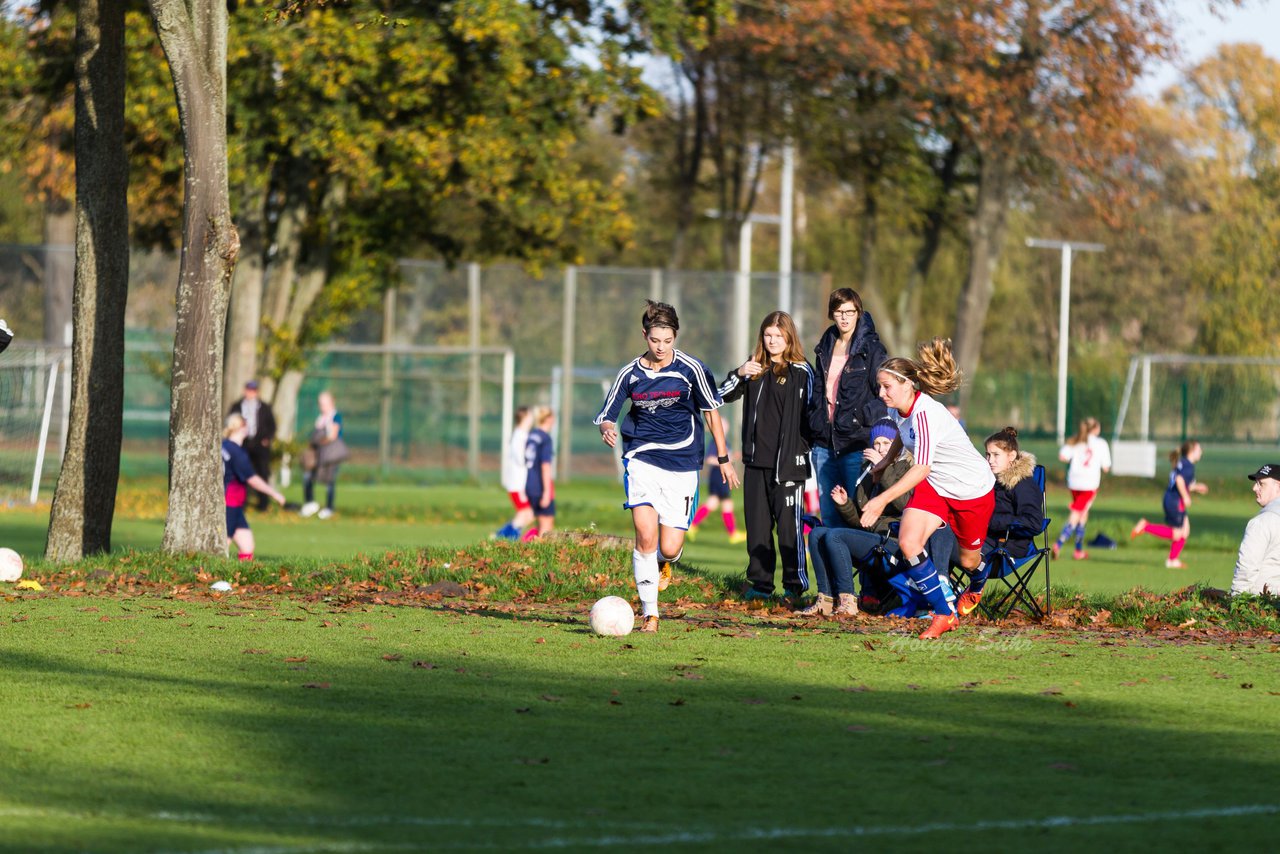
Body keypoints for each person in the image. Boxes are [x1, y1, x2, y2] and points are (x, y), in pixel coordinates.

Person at [595, 300, 739, 633]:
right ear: (644, 335)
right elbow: (607, 414)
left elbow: (712, 414)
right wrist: (607, 427)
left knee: (669, 547)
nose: (661, 347)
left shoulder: (692, 369)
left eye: (668, 340)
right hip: (641, 458)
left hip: (683, 463)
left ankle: (664, 562)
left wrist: (724, 459)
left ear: (675, 336)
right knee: (645, 536)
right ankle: (651, 614)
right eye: (654, 340)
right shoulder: (630, 373)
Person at [860, 338, 995, 639]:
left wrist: (880, 500)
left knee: (971, 560)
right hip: (936, 486)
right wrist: (885, 462)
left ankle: (979, 580)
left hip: (970, 490)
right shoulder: (900, 409)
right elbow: (900, 436)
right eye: (879, 386)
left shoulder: (925, 415)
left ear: (907, 385)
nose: (881, 393)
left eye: (886, 387)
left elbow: (921, 468)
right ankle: (944, 614)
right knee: (909, 543)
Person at [805, 418, 958, 618]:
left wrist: (883, 468)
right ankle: (825, 600)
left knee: (835, 537)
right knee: (817, 533)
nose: (881, 448)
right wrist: (845, 505)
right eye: (876, 443)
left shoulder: (909, 470)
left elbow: (905, 504)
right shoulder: (867, 472)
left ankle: (848, 601)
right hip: (872, 538)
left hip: (895, 542)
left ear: (897, 445)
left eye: (887, 443)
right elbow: (861, 521)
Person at [719, 311, 816, 603]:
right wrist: (738, 373)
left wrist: (804, 448)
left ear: (789, 338)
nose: (773, 341)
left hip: (788, 466)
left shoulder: (801, 371)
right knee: (758, 529)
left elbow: (814, 415)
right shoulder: (753, 367)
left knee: (789, 530)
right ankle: (760, 585)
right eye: (768, 335)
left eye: (779, 336)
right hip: (755, 463)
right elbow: (718, 396)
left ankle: (794, 587)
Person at [809, 288, 888, 529]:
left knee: (855, 514)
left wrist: (861, 419)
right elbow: (819, 391)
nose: (844, 317)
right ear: (831, 314)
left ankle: (858, 566)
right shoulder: (825, 346)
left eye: (850, 312)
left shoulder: (872, 349)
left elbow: (884, 394)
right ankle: (833, 567)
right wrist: (814, 420)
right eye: (839, 311)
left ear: (858, 313)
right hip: (824, 444)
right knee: (830, 516)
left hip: (856, 444)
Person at [955, 427, 1044, 616]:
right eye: (987, 454)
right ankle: (942, 595)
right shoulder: (988, 481)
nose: (989, 460)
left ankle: (945, 597)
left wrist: (988, 521)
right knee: (939, 533)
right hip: (983, 539)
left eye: (996, 455)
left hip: (1007, 547)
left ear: (1011, 455)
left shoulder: (1023, 484)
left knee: (947, 544)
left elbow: (1033, 523)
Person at [1131, 440, 1207, 568]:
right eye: (1199, 449)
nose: (1201, 452)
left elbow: (1182, 482)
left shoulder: (1182, 463)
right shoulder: (1188, 466)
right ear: (1192, 451)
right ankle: (1145, 526)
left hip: (1172, 498)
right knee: (1177, 533)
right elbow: (1179, 480)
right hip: (1175, 501)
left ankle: (1172, 560)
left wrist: (1196, 487)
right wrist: (1186, 496)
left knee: (1185, 531)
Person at [222, 413, 285, 560]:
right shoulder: (237, 453)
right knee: (222, 546)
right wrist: (274, 493)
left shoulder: (224, 446)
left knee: (247, 545)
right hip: (229, 503)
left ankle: (241, 578)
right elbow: (252, 479)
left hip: (235, 505)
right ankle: (211, 578)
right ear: (241, 428)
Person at [1054, 416, 1111, 560]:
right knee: (1077, 513)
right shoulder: (1101, 443)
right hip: (1089, 484)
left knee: (1083, 514)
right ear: (1096, 428)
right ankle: (1059, 543)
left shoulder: (1076, 440)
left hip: (1074, 482)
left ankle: (1078, 550)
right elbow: (1106, 467)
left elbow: (1063, 456)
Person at [686, 415, 746, 544]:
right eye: (723, 425)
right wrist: (727, 460)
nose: (726, 427)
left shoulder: (724, 441)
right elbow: (709, 459)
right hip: (718, 476)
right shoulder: (717, 442)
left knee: (718, 503)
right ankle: (693, 525)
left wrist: (732, 457)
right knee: (721, 503)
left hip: (720, 475)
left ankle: (732, 533)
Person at [1229, 463, 1280, 597]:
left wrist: (1237, 602)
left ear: (1278, 487)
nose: (1254, 488)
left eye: (1261, 484)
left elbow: (1246, 569)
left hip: (1261, 605)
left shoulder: (1261, 523)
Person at [228, 379, 278, 511]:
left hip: (260, 445)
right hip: (242, 444)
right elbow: (231, 423)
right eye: (249, 390)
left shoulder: (265, 407)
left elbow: (272, 426)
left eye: (254, 390)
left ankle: (263, 504)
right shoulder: (237, 406)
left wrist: (266, 439)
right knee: (240, 473)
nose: (251, 393)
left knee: (262, 473)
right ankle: (240, 502)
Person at [301, 390, 345, 520]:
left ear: (331, 403)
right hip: (319, 454)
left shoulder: (335, 417)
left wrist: (320, 440)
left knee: (329, 481)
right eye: (320, 404)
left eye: (324, 403)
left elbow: (332, 436)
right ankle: (310, 503)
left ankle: (329, 508)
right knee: (307, 476)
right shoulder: (320, 418)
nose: (321, 406)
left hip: (330, 454)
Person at [495, 406, 535, 540]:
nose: (532, 418)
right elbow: (521, 460)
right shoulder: (519, 436)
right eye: (530, 415)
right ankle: (502, 537)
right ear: (524, 417)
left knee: (526, 515)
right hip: (518, 485)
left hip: (519, 485)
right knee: (527, 514)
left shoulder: (522, 435)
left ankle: (503, 537)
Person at [521, 407, 556, 541]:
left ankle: (526, 549)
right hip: (540, 486)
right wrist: (547, 491)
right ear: (548, 419)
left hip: (529, 484)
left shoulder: (532, 435)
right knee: (546, 526)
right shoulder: (545, 438)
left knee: (538, 523)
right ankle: (535, 556)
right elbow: (545, 466)